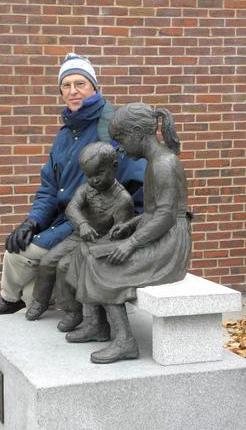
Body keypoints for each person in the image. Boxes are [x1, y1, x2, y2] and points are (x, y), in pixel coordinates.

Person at [0, 54, 146, 315]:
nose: (73, 91)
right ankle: (31, 298)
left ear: (94, 86)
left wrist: (125, 230)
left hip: (93, 222)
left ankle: (10, 298)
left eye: (80, 83)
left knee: (18, 254)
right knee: (29, 282)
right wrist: (33, 221)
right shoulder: (64, 135)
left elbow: (137, 183)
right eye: (66, 85)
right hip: (65, 218)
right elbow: (49, 187)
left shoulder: (111, 129)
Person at [65, 103, 192, 364]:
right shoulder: (155, 162)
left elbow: (167, 216)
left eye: (121, 139)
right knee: (85, 251)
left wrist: (131, 243)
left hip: (170, 245)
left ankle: (125, 342)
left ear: (137, 133)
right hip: (155, 233)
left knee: (103, 265)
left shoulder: (164, 164)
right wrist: (132, 224)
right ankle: (97, 325)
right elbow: (155, 212)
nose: (120, 147)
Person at [25, 142, 135, 332]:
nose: (94, 180)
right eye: (89, 175)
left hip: (99, 244)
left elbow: (118, 235)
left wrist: (100, 242)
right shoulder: (86, 189)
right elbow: (72, 208)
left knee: (64, 267)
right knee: (47, 261)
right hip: (79, 236)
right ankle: (40, 300)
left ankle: (73, 311)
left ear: (114, 167)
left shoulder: (123, 200)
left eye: (99, 174)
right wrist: (82, 224)